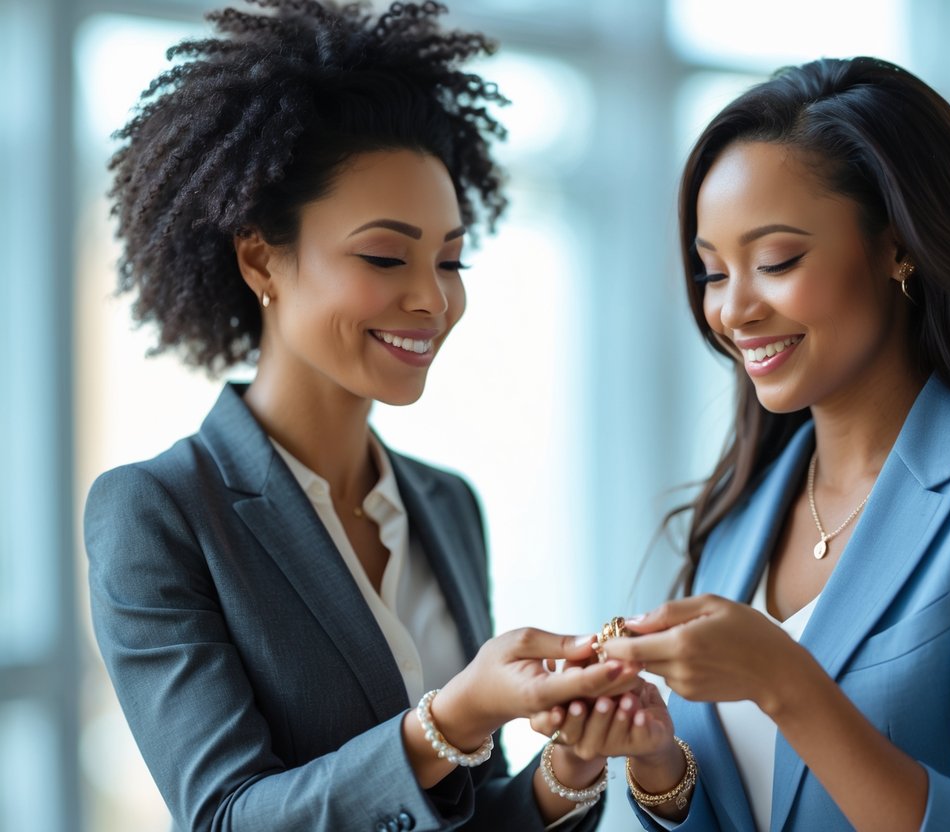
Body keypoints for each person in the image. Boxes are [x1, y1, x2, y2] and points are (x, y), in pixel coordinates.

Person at [83, 2, 641, 830]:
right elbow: (227, 817)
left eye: (450, 259)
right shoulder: (159, 512)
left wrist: (569, 767)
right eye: (384, 256)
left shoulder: (445, 504)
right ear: (259, 258)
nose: (432, 299)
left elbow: (461, 817)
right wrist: (450, 720)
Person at [581, 57, 950, 831]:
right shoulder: (739, 513)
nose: (732, 310)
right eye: (710, 272)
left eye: (775, 261)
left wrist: (786, 684)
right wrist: (656, 765)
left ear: (898, 247)